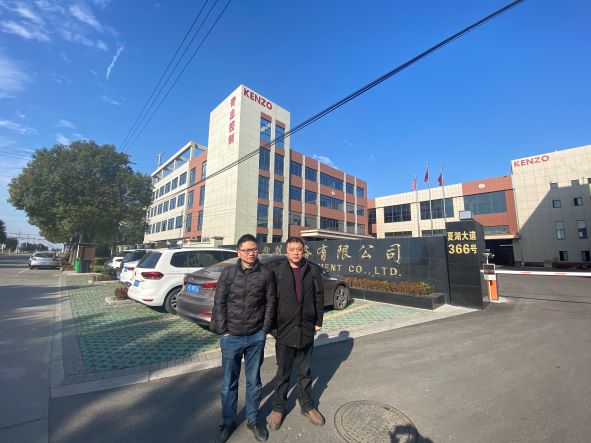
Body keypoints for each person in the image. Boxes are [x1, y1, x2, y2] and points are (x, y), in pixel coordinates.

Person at [210, 234, 276, 443]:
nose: (251, 253)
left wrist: (264, 330)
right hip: (232, 337)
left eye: (254, 249)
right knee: (229, 383)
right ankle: (228, 422)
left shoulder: (266, 273)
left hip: (255, 336)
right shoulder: (229, 273)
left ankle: (253, 420)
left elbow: (270, 302)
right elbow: (219, 302)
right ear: (238, 252)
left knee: (254, 381)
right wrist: (223, 330)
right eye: (247, 250)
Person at [267, 236, 326, 431]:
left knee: (304, 372)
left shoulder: (313, 270)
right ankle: (278, 407)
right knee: (282, 373)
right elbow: (270, 301)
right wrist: (273, 329)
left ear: (303, 251)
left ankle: (307, 406)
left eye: (299, 249)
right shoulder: (277, 272)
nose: (295, 252)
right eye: (291, 249)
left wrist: (318, 321)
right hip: (284, 331)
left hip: (306, 329)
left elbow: (319, 297)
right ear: (286, 252)